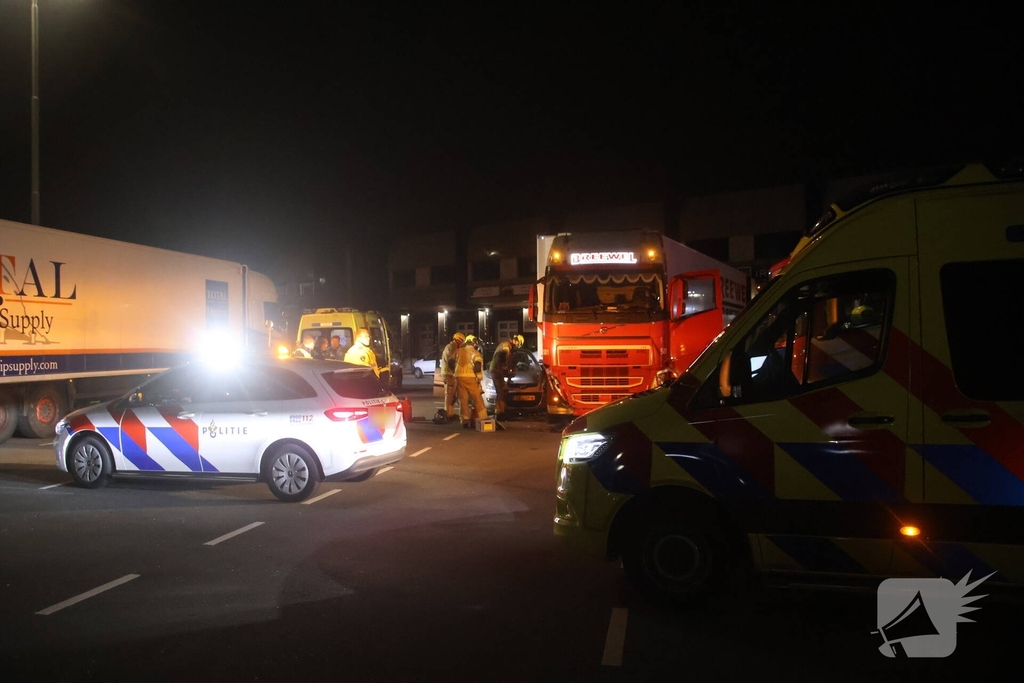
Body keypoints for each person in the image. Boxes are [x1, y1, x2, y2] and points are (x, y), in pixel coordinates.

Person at [454, 334, 487, 428]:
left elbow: (451, 362)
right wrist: (479, 378)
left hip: (459, 378)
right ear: (473, 343)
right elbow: (477, 366)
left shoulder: (458, 351)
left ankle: (464, 419)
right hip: (470, 377)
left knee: (463, 399)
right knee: (477, 398)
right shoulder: (475, 353)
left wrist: (455, 372)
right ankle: (483, 418)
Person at [489, 333, 523, 419]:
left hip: (498, 370)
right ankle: (499, 411)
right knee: (500, 390)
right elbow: (503, 355)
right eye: (517, 343)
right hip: (496, 370)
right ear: (515, 339)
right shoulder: (506, 345)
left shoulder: (509, 347)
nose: (517, 345)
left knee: (503, 390)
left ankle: (502, 409)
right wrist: (505, 366)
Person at [439, 332, 465, 421]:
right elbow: (453, 361)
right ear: (458, 340)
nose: (462, 344)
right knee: (449, 395)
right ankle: (448, 414)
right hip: (449, 374)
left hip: (449, 374)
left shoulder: (450, 346)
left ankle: (450, 412)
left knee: (452, 395)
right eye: (462, 342)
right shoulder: (453, 347)